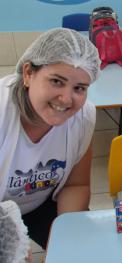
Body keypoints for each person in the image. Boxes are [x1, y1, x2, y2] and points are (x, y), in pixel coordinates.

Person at [0, 27, 101, 249]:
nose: (66, 99)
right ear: (28, 73)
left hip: (40, 203)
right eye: (56, 81)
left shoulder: (83, 118)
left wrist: (63, 245)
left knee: (86, 251)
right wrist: (10, 247)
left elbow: (76, 185)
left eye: (79, 88)